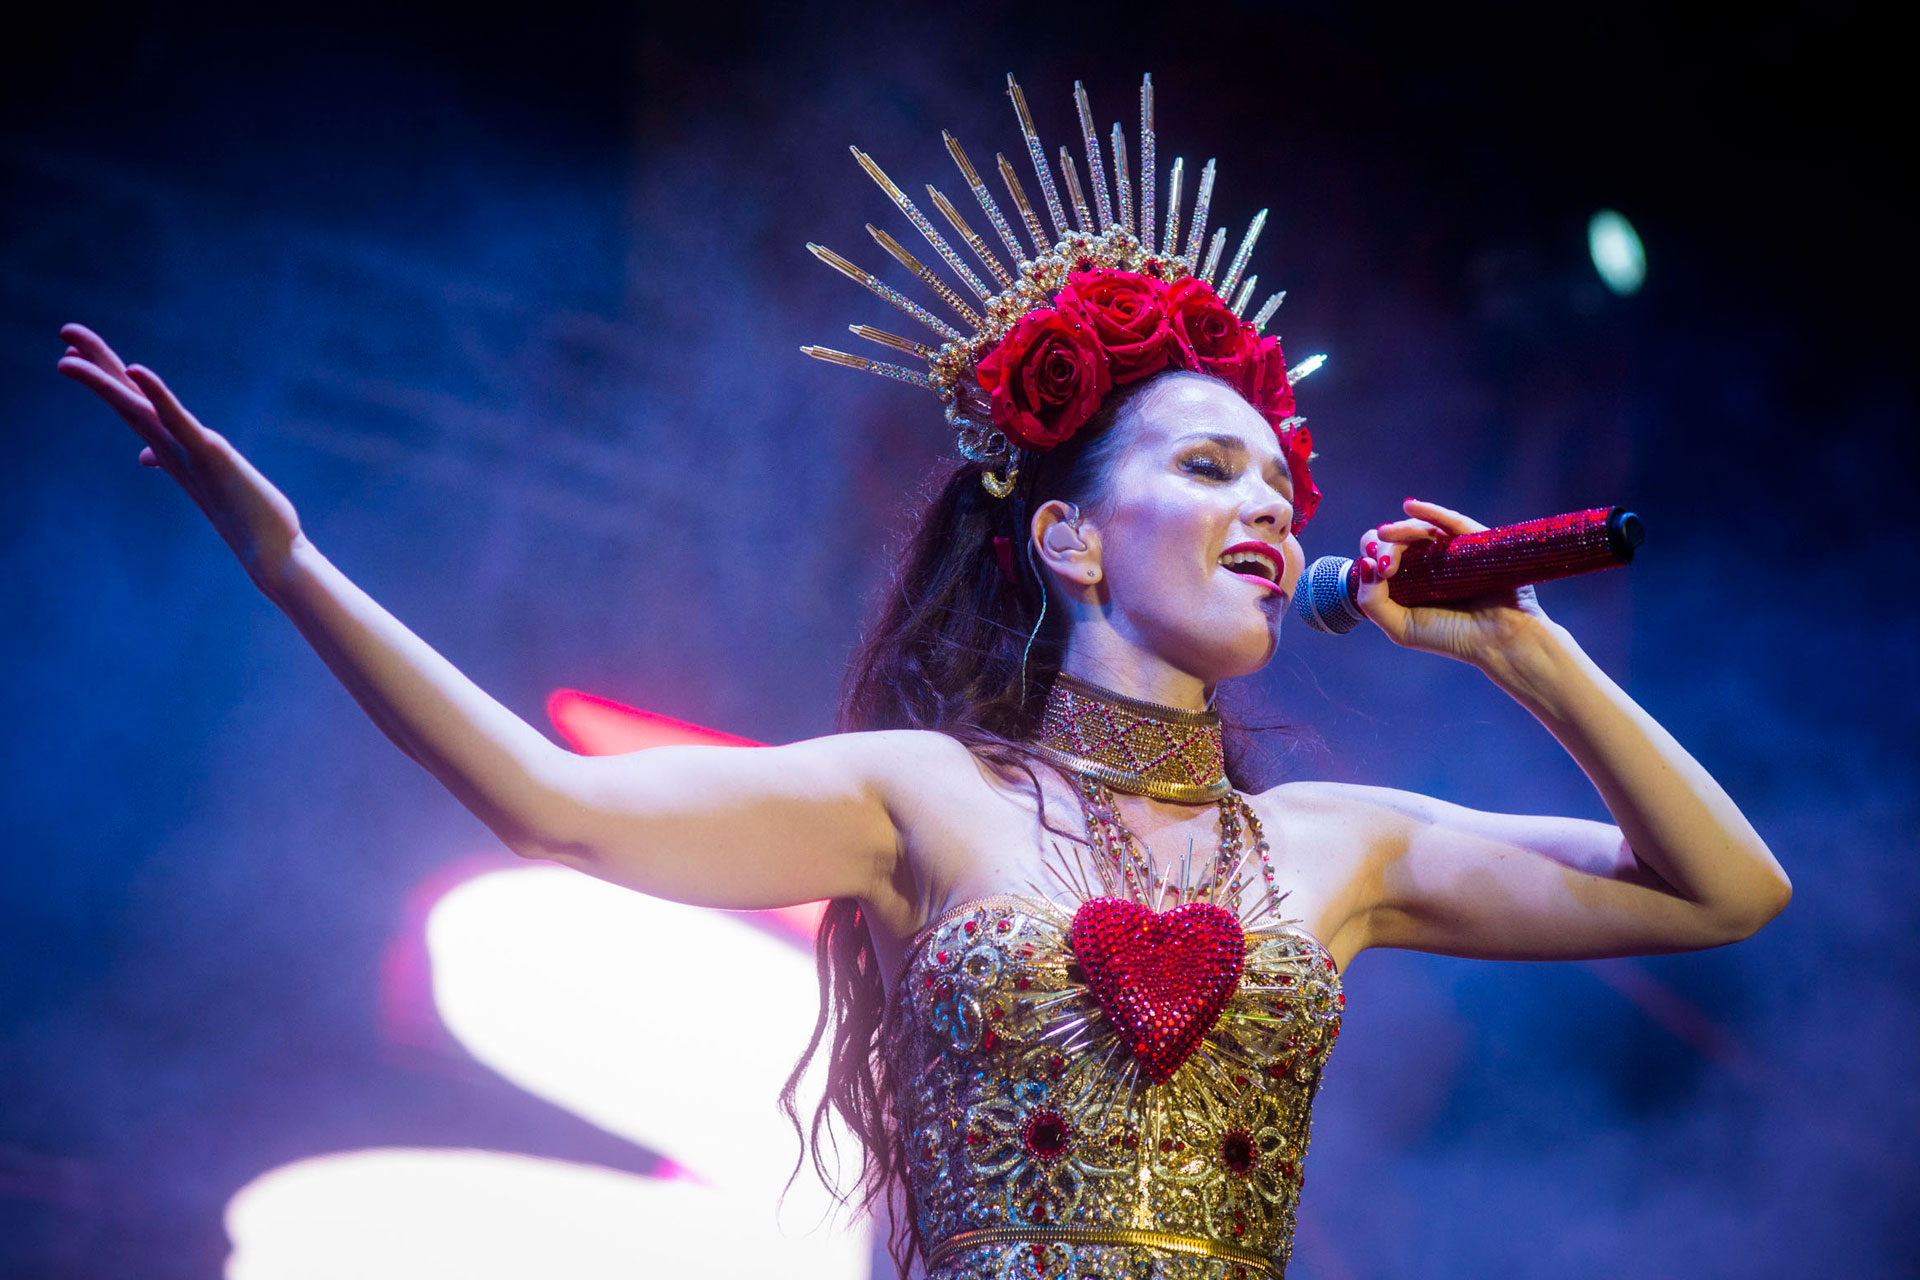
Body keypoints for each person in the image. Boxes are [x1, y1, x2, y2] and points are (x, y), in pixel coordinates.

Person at [57, 75, 1788, 1280]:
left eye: (1281, 482)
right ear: (1071, 540)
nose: (1269, 504)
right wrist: (293, 565)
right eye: (1208, 468)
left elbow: (1727, 891)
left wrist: (1529, 654)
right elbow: (556, 808)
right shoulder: (923, 795)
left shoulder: (1346, 842)